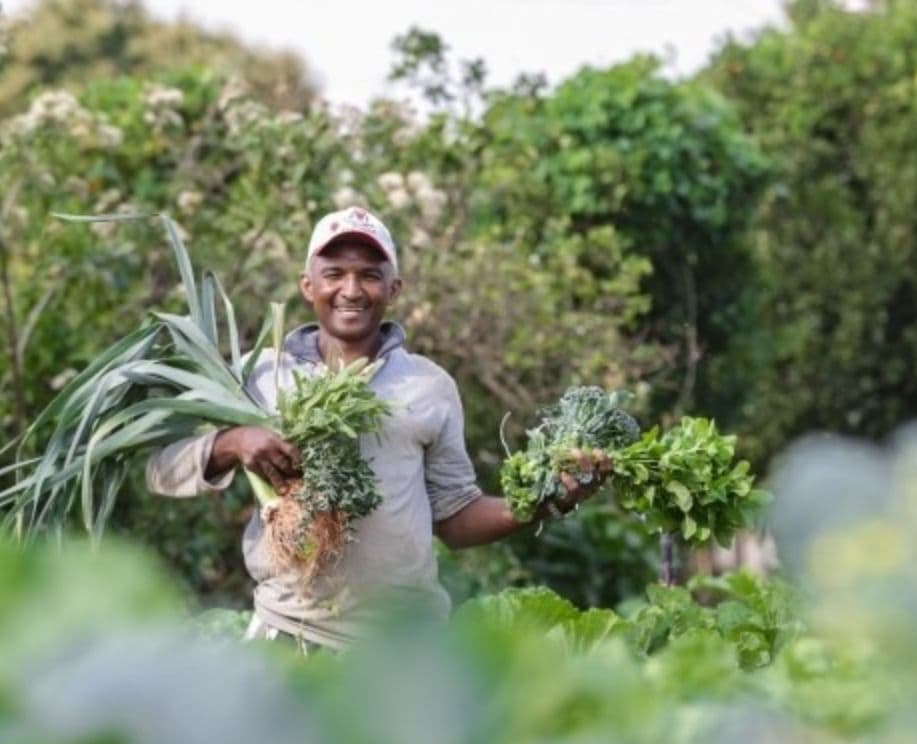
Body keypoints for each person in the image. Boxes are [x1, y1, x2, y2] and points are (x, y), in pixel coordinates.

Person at [146, 207, 608, 649]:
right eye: (334, 274)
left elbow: (454, 518)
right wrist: (233, 442)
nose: (352, 289)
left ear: (394, 289)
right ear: (308, 285)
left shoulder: (429, 386)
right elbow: (161, 469)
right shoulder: (259, 375)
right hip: (287, 632)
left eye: (369, 274)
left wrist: (543, 501)